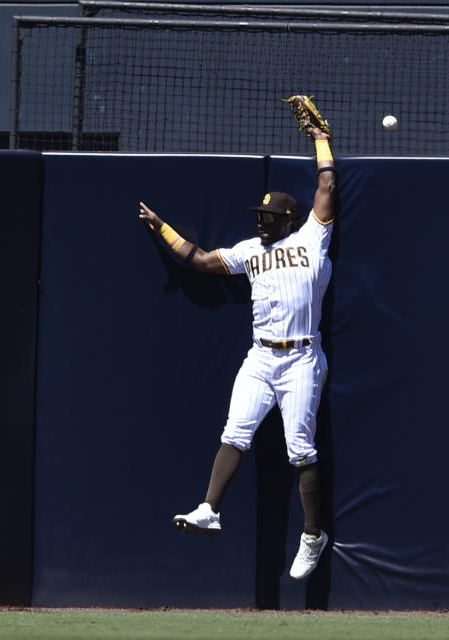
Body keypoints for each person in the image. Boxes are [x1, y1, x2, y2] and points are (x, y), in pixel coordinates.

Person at [137, 126, 336, 580]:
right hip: (261, 358)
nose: (261, 222)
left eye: (269, 217)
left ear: (288, 219)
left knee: (300, 449)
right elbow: (201, 261)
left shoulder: (311, 238)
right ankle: (210, 508)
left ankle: (312, 535)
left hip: (302, 357)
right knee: (235, 433)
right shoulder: (250, 251)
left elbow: (326, 185)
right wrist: (162, 227)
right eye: (259, 216)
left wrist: (321, 138)